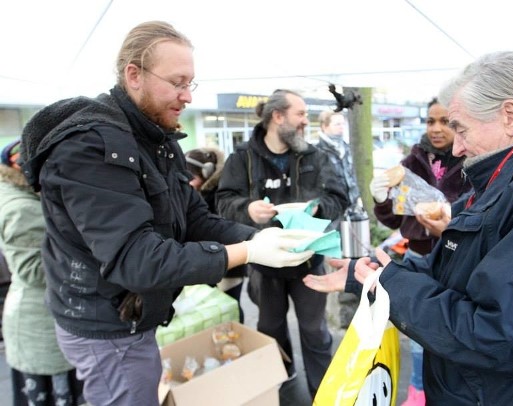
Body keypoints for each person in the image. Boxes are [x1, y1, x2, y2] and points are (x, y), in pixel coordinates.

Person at [303, 51, 513, 405]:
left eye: (461, 129)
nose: (458, 146)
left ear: (510, 116)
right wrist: (368, 276)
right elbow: (457, 273)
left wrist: (389, 284)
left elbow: (503, 334)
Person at [19, 21, 315, 406]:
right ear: (134, 75)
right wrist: (247, 254)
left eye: (191, 83)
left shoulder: (156, 139)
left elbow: (193, 219)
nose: (187, 96)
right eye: (178, 82)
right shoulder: (90, 146)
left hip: (131, 315)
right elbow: (135, 257)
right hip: (106, 327)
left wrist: (259, 237)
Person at [216, 89, 349, 398]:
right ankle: (282, 379)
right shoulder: (242, 158)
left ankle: (322, 391)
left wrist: (318, 208)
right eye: (300, 114)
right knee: (271, 327)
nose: (306, 121)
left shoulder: (314, 155)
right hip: (263, 262)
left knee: (315, 331)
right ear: (278, 117)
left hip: (308, 259)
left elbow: (338, 197)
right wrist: (247, 209)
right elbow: (222, 202)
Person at [368, 97, 471, 406]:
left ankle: (448, 393)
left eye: (446, 121)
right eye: (430, 121)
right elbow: (392, 218)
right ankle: (417, 393)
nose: (437, 129)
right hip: (417, 255)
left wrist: (449, 215)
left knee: (449, 330)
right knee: (415, 331)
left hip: (455, 258)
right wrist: (382, 197)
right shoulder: (411, 163)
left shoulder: (473, 160)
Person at [0, 139, 85, 405]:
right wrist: (90, 256)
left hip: (48, 315)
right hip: (39, 325)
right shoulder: (21, 208)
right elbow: (34, 271)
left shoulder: (26, 195)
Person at [185, 147, 247, 323]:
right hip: (207, 260)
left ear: (207, 173)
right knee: (212, 305)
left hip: (230, 263)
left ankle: (237, 332)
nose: (188, 182)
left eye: (192, 178)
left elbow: (222, 227)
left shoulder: (222, 194)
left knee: (230, 304)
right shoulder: (192, 193)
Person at [316, 110, 361, 211]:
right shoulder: (318, 151)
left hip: (351, 207)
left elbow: (352, 176)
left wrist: (356, 198)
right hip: (332, 209)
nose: (341, 127)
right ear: (324, 126)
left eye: (343, 124)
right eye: (337, 124)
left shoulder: (347, 148)